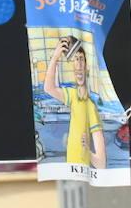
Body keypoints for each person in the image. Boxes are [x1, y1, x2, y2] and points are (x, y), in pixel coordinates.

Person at [43, 36, 107, 169]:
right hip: (70, 169)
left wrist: (87, 150)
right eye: (75, 59)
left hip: (83, 172)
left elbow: (101, 163)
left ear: (87, 69)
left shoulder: (90, 107)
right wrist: (55, 57)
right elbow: (48, 88)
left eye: (81, 59)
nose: (78, 64)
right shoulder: (71, 95)